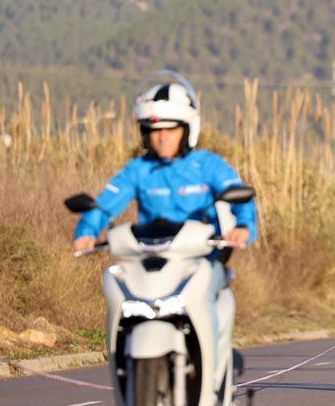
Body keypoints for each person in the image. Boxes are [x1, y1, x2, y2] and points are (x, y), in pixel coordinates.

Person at [72, 71, 256, 374]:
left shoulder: (208, 165)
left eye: (171, 129)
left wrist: (243, 226)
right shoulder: (138, 170)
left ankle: (211, 371)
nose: (162, 137)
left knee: (207, 298)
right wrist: (87, 231)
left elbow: (240, 198)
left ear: (187, 129)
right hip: (149, 260)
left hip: (200, 262)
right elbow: (105, 205)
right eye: (154, 130)